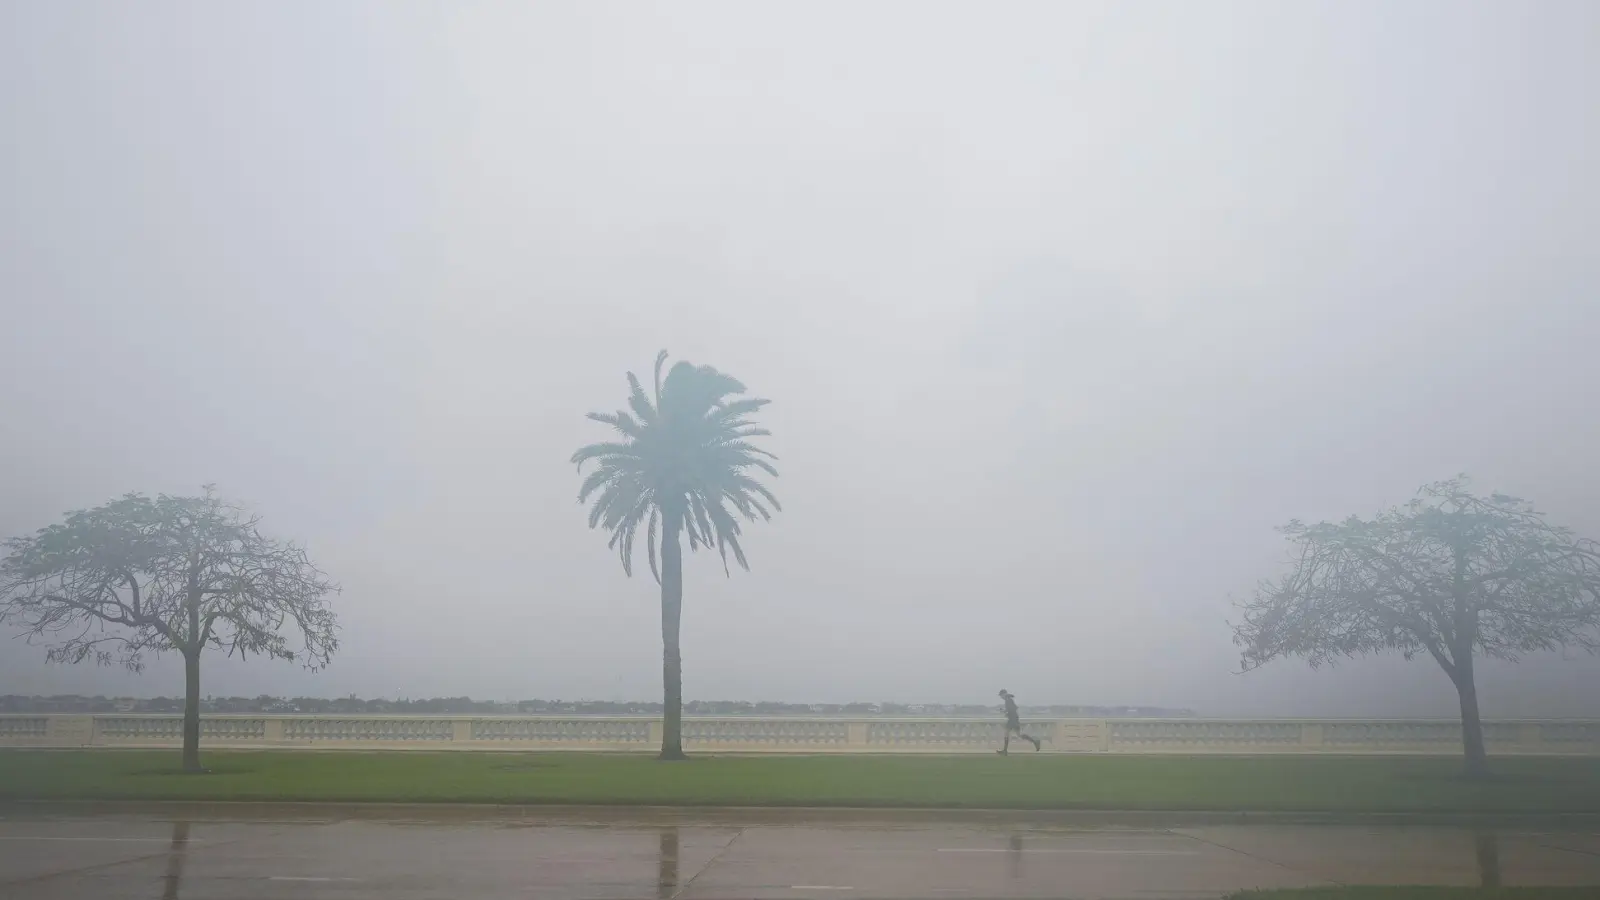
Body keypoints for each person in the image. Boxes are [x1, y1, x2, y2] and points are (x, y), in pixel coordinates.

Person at [997, 689, 1041, 754]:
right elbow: (1014, 708)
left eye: (1001, 695)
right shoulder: (1009, 700)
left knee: (1007, 733)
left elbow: (1012, 709)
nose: (1001, 697)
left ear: (1004, 694)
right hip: (1014, 719)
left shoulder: (1008, 700)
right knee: (1018, 734)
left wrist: (1005, 712)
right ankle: (1035, 741)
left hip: (1012, 719)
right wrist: (1006, 711)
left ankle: (1005, 751)